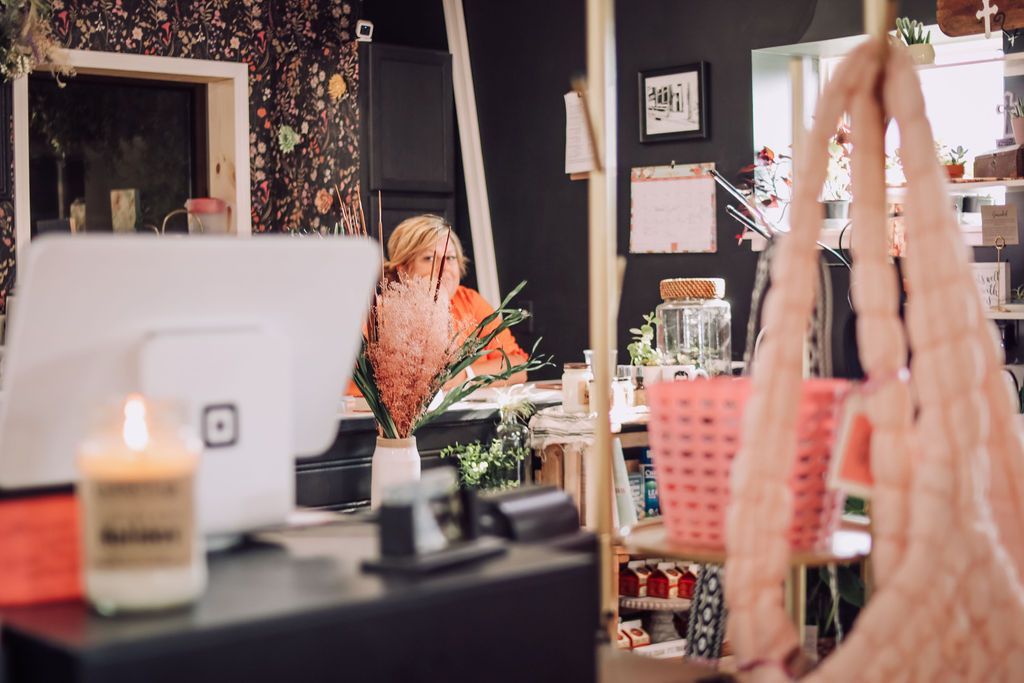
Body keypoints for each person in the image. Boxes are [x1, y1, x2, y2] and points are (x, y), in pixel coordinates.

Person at [380, 214, 528, 389]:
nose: (444, 268)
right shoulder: (384, 313)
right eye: (429, 258)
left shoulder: (470, 301)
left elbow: (518, 367)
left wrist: (465, 375)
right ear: (403, 268)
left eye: (450, 258)